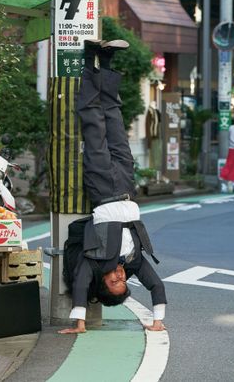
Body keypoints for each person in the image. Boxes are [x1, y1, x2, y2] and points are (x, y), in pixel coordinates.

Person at [58, 40, 167, 334]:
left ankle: (90, 58)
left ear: (103, 283)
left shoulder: (93, 265)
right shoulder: (133, 265)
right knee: (115, 121)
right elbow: (156, 285)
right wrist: (157, 320)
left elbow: (80, 286)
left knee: (94, 124)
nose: (119, 276)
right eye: (122, 282)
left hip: (103, 188)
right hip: (128, 184)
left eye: (113, 282)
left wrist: (79, 322)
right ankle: (106, 63)